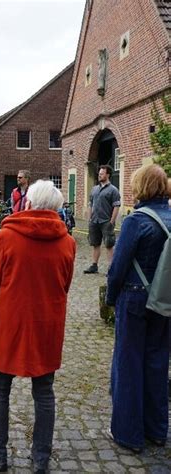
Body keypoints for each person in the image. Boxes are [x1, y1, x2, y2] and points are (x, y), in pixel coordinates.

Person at [0, 180, 75, 473]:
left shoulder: (7, 236)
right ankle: (41, 458)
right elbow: (65, 284)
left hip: (11, 319)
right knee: (44, 391)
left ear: (29, 203)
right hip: (48, 321)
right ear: (57, 207)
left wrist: (9, 302)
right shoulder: (67, 241)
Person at [106, 164, 171, 452]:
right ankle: (157, 430)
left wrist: (110, 298)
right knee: (157, 363)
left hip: (135, 300)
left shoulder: (136, 221)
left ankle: (128, 433)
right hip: (165, 301)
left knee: (128, 364)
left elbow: (118, 267)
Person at [84, 165, 121, 274]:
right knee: (95, 244)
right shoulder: (94, 189)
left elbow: (116, 206)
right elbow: (90, 204)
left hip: (106, 222)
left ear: (108, 175)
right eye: (99, 173)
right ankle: (94, 265)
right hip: (94, 221)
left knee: (109, 244)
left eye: (102, 174)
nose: (99, 175)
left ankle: (111, 268)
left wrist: (112, 221)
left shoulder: (113, 190)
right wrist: (89, 218)